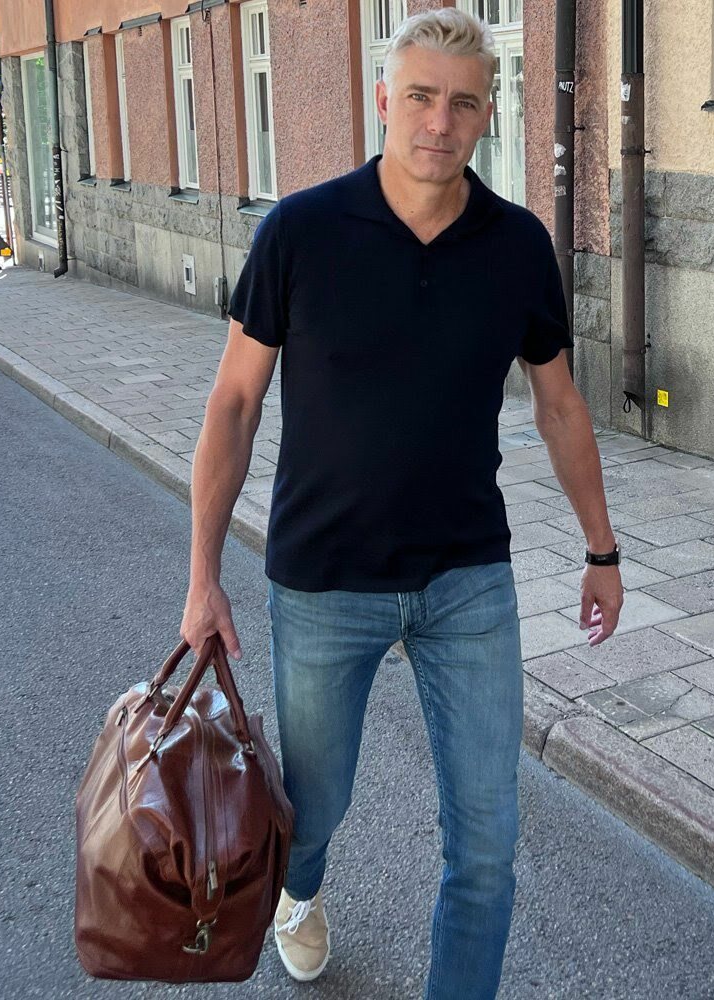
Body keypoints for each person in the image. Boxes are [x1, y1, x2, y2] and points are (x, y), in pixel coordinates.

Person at [181, 9, 623, 999]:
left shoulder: (516, 246)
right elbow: (235, 403)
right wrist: (203, 576)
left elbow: (558, 404)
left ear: (487, 115)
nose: (439, 121)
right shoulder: (301, 231)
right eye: (420, 96)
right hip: (324, 582)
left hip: (468, 581)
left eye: (463, 103)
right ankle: (300, 892)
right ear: (385, 99)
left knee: (487, 845)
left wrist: (601, 548)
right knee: (313, 808)